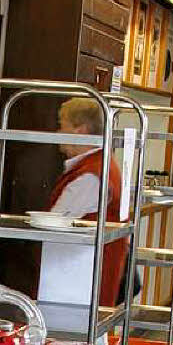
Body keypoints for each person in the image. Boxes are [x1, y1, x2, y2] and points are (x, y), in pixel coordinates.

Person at [38, 97, 127, 319]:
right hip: (83, 280)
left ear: (80, 131)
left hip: (77, 285)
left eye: (62, 125)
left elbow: (54, 221)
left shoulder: (90, 175)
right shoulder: (101, 165)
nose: (58, 133)